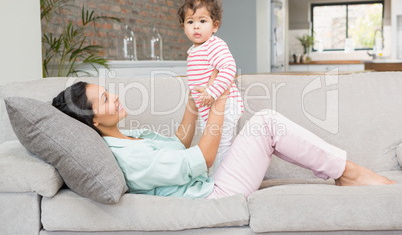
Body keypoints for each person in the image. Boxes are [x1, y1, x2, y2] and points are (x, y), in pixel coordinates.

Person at [52, 81, 396, 200]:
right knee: (267, 122)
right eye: (106, 99)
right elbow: (200, 160)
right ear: (95, 120)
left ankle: (345, 172)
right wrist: (217, 102)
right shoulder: (126, 157)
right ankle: (349, 174)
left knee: (253, 121)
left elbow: (178, 146)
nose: (116, 97)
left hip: (209, 180)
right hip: (213, 194)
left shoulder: (129, 137)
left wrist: (192, 102)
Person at [177, 0, 243, 175]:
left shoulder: (214, 45)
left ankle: (224, 179)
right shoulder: (194, 50)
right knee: (211, 144)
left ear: (215, 26)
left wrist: (213, 92)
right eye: (190, 22)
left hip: (224, 104)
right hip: (208, 106)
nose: (196, 26)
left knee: (221, 145)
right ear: (184, 27)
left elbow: (229, 68)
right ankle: (217, 176)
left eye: (202, 21)